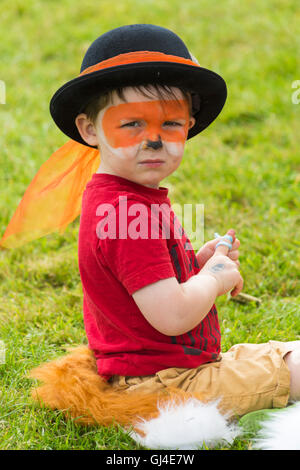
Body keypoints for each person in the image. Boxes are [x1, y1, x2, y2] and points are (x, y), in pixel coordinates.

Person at [1, 24, 299, 420]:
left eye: (170, 123)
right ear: (90, 130)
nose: (154, 139)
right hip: (162, 385)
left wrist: (199, 263)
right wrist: (216, 278)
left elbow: (145, 276)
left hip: (170, 368)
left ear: (189, 126)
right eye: (132, 124)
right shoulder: (126, 213)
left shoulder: (125, 196)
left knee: (291, 350)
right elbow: (173, 316)